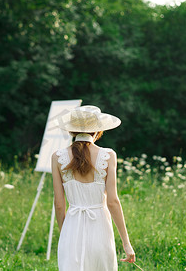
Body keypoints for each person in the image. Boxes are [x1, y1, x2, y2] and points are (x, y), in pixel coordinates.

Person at [51, 105, 135, 270]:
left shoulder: (57, 157)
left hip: (71, 228)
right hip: (100, 228)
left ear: (72, 131)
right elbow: (113, 202)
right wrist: (126, 243)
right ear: (98, 130)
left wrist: (65, 234)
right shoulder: (108, 155)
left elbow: (59, 204)